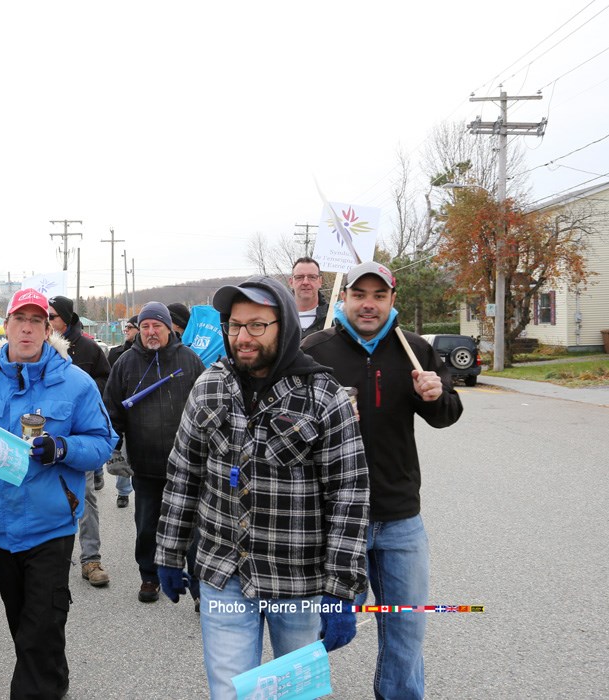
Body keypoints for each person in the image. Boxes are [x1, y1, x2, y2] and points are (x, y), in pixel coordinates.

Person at [154, 277, 369, 699]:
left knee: (297, 694)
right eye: (234, 326)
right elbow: (183, 475)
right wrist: (169, 552)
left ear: (283, 326)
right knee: (232, 692)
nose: (242, 337)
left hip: (299, 579)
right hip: (224, 571)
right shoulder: (209, 386)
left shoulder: (323, 397)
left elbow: (349, 495)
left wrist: (342, 589)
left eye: (257, 326)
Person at [302, 261, 464, 700]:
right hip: (331, 517)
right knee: (310, 626)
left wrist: (435, 395)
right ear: (344, 299)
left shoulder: (414, 349)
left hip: (399, 517)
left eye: (378, 296)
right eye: (359, 295)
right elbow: (288, 429)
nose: (368, 305)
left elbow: (447, 415)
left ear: (393, 300)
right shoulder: (315, 350)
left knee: (406, 626)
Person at [0, 288, 116, 699]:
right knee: (27, 628)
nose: (27, 328)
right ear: (6, 327)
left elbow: (103, 442)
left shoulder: (75, 383)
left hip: (52, 527)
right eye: (19, 320)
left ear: (48, 327)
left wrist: (63, 448)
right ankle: (54, 682)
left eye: (36, 320)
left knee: (39, 628)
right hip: (1, 532)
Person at [103, 302, 205, 604]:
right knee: (147, 526)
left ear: (168, 328)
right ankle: (149, 577)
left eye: (156, 326)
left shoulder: (189, 360)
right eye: (145, 326)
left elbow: (206, 408)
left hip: (188, 466)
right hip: (145, 467)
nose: (150, 332)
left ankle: (200, 588)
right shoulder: (125, 364)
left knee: (194, 530)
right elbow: (112, 411)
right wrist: (114, 451)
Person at [48, 295, 112, 587]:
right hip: (39, 441)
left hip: (76, 439)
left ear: (66, 318)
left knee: (84, 498)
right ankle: (46, 560)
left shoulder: (87, 347)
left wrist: (80, 393)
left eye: (51, 316)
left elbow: (104, 382)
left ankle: (91, 560)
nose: (47, 322)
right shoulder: (37, 348)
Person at [106, 317, 137, 509]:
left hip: (139, 412)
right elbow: (110, 385)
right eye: (125, 327)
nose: (126, 330)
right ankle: (123, 491)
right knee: (122, 453)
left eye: (130, 327)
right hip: (121, 411)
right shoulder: (115, 353)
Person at [289, 256, 329, 336]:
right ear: (291, 282)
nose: (305, 282)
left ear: (320, 281)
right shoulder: (278, 318)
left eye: (312, 277)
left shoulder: (333, 318)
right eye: (299, 277)